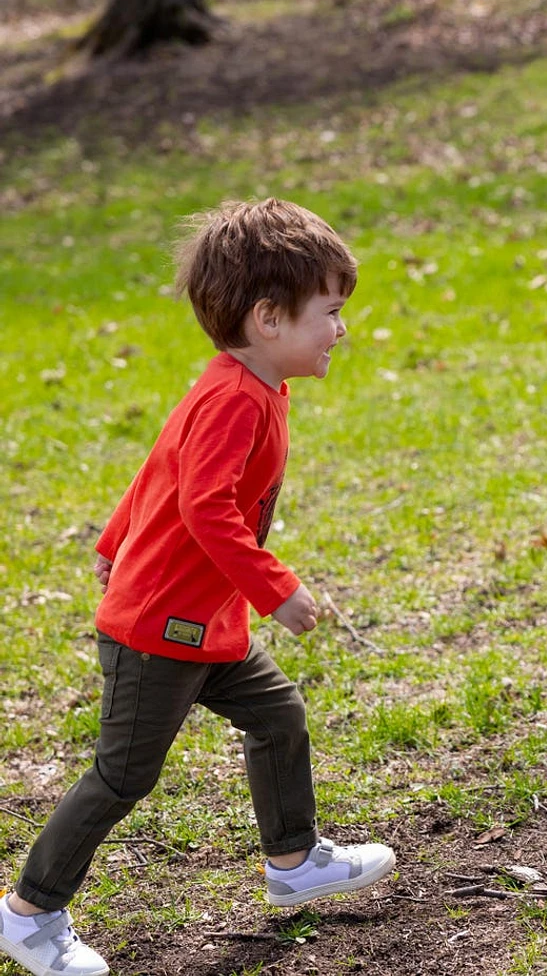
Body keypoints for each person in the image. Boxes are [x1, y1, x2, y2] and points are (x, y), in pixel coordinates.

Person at [0, 198, 396, 976]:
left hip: (203, 625)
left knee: (278, 714)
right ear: (269, 318)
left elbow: (160, 462)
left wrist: (113, 539)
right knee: (124, 775)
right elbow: (202, 503)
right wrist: (275, 588)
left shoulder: (246, 387)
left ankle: (292, 860)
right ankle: (28, 913)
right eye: (331, 311)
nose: (341, 328)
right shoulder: (231, 399)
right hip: (158, 635)